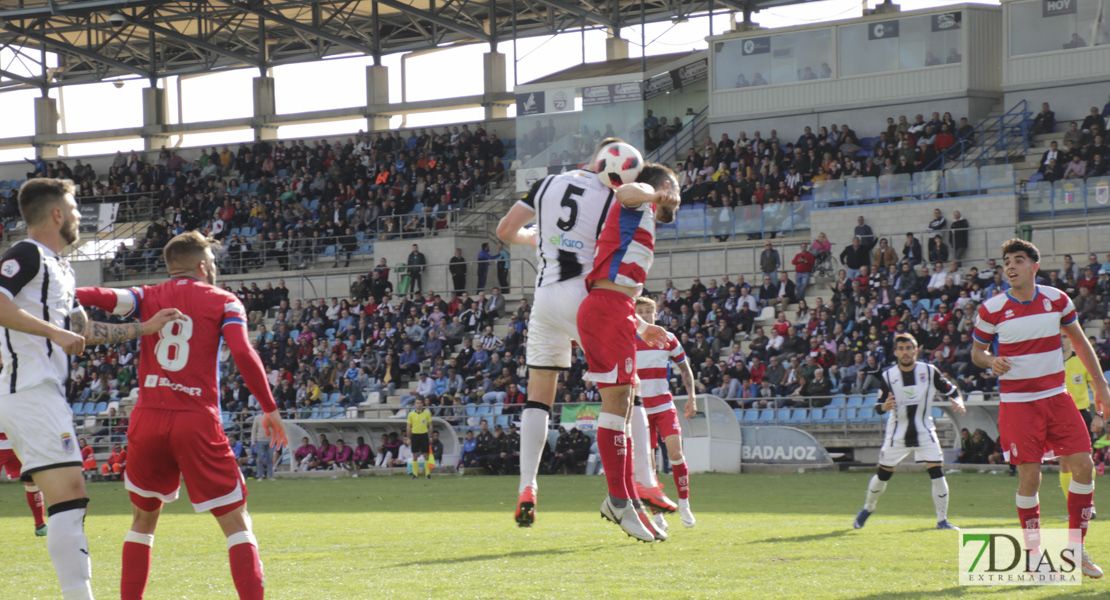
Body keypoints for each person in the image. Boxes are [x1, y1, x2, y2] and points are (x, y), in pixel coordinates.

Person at [75, 230, 290, 600]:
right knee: (237, 524)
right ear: (204, 266)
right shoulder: (224, 300)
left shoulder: (144, 296)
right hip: (196, 418)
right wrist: (269, 409)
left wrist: (51, 291)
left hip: (147, 418)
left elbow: (91, 295)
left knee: (143, 523)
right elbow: (242, 351)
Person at [0, 178, 180, 600]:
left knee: (70, 497)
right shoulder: (26, 253)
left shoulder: (62, 267)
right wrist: (55, 334)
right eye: (75, 207)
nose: (80, 216)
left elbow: (84, 330)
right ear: (57, 214)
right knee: (69, 496)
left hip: (45, 394)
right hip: (28, 390)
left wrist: (144, 328)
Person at [496, 137, 633, 528]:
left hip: (544, 299)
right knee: (622, 390)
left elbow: (506, 230)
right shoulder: (612, 195)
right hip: (584, 297)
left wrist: (536, 236)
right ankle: (635, 486)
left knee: (538, 396)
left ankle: (527, 486)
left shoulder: (546, 184)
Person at [971, 238, 1106, 578]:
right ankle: (1033, 556)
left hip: (1057, 397)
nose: (1010, 266)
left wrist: (1100, 383)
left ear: (1034, 266)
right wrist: (991, 361)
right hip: (1018, 404)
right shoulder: (992, 308)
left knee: (1084, 466)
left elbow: (1078, 340)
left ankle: (1075, 549)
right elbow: (977, 353)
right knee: (1030, 477)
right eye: (1006, 262)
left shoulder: (1056, 299)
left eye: (1018, 260)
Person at [577, 162, 678, 543]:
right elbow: (624, 192)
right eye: (674, 188)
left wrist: (640, 324)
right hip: (605, 308)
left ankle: (629, 498)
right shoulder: (637, 200)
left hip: (616, 310)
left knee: (624, 403)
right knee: (619, 404)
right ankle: (619, 500)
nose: (676, 198)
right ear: (660, 184)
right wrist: (654, 192)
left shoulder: (644, 215)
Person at [853, 333, 965, 531]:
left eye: (909, 348)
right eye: (901, 349)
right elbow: (878, 407)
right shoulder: (888, 376)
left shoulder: (929, 371)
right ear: (895, 352)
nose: (905, 353)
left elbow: (952, 390)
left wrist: (958, 400)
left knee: (937, 473)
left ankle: (942, 521)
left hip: (924, 431)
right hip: (897, 434)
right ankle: (868, 508)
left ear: (916, 350)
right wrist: (885, 406)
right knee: (883, 475)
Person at [630, 297, 698, 531]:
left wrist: (692, 397)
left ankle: (685, 504)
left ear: (656, 314)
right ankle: (657, 514)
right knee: (647, 466)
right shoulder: (628, 339)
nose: (647, 315)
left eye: (650, 311)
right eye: (641, 312)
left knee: (676, 453)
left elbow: (684, 367)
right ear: (635, 315)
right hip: (639, 410)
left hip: (663, 406)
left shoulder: (667, 338)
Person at [1061, 335, 1101, 512]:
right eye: (1058, 336)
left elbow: (1098, 389)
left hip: (1080, 415)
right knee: (1065, 463)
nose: (1061, 340)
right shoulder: (1047, 364)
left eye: (1064, 336)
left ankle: (1087, 503)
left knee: (1086, 463)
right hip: (1057, 418)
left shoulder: (1082, 362)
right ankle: (1073, 505)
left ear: (1071, 339)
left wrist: (1099, 415)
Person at [0, 423, 47, 536]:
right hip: (18, 443)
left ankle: (40, 525)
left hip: (19, 444)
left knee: (32, 481)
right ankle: (40, 526)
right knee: (32, 483)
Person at [406, 397, 434, 479]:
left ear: (422, 404)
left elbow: (430, 425)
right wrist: (408, 437)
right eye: (417, 403)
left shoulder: (426, 413)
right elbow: (408, 426)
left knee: (426, 455)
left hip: (424, 435)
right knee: (415, 455)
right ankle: (415, 474)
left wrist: (431, 436)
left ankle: (427, 474)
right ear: (415, 404)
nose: (419, 404)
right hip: (415, 435)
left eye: (420, 403)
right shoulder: (411, 414)